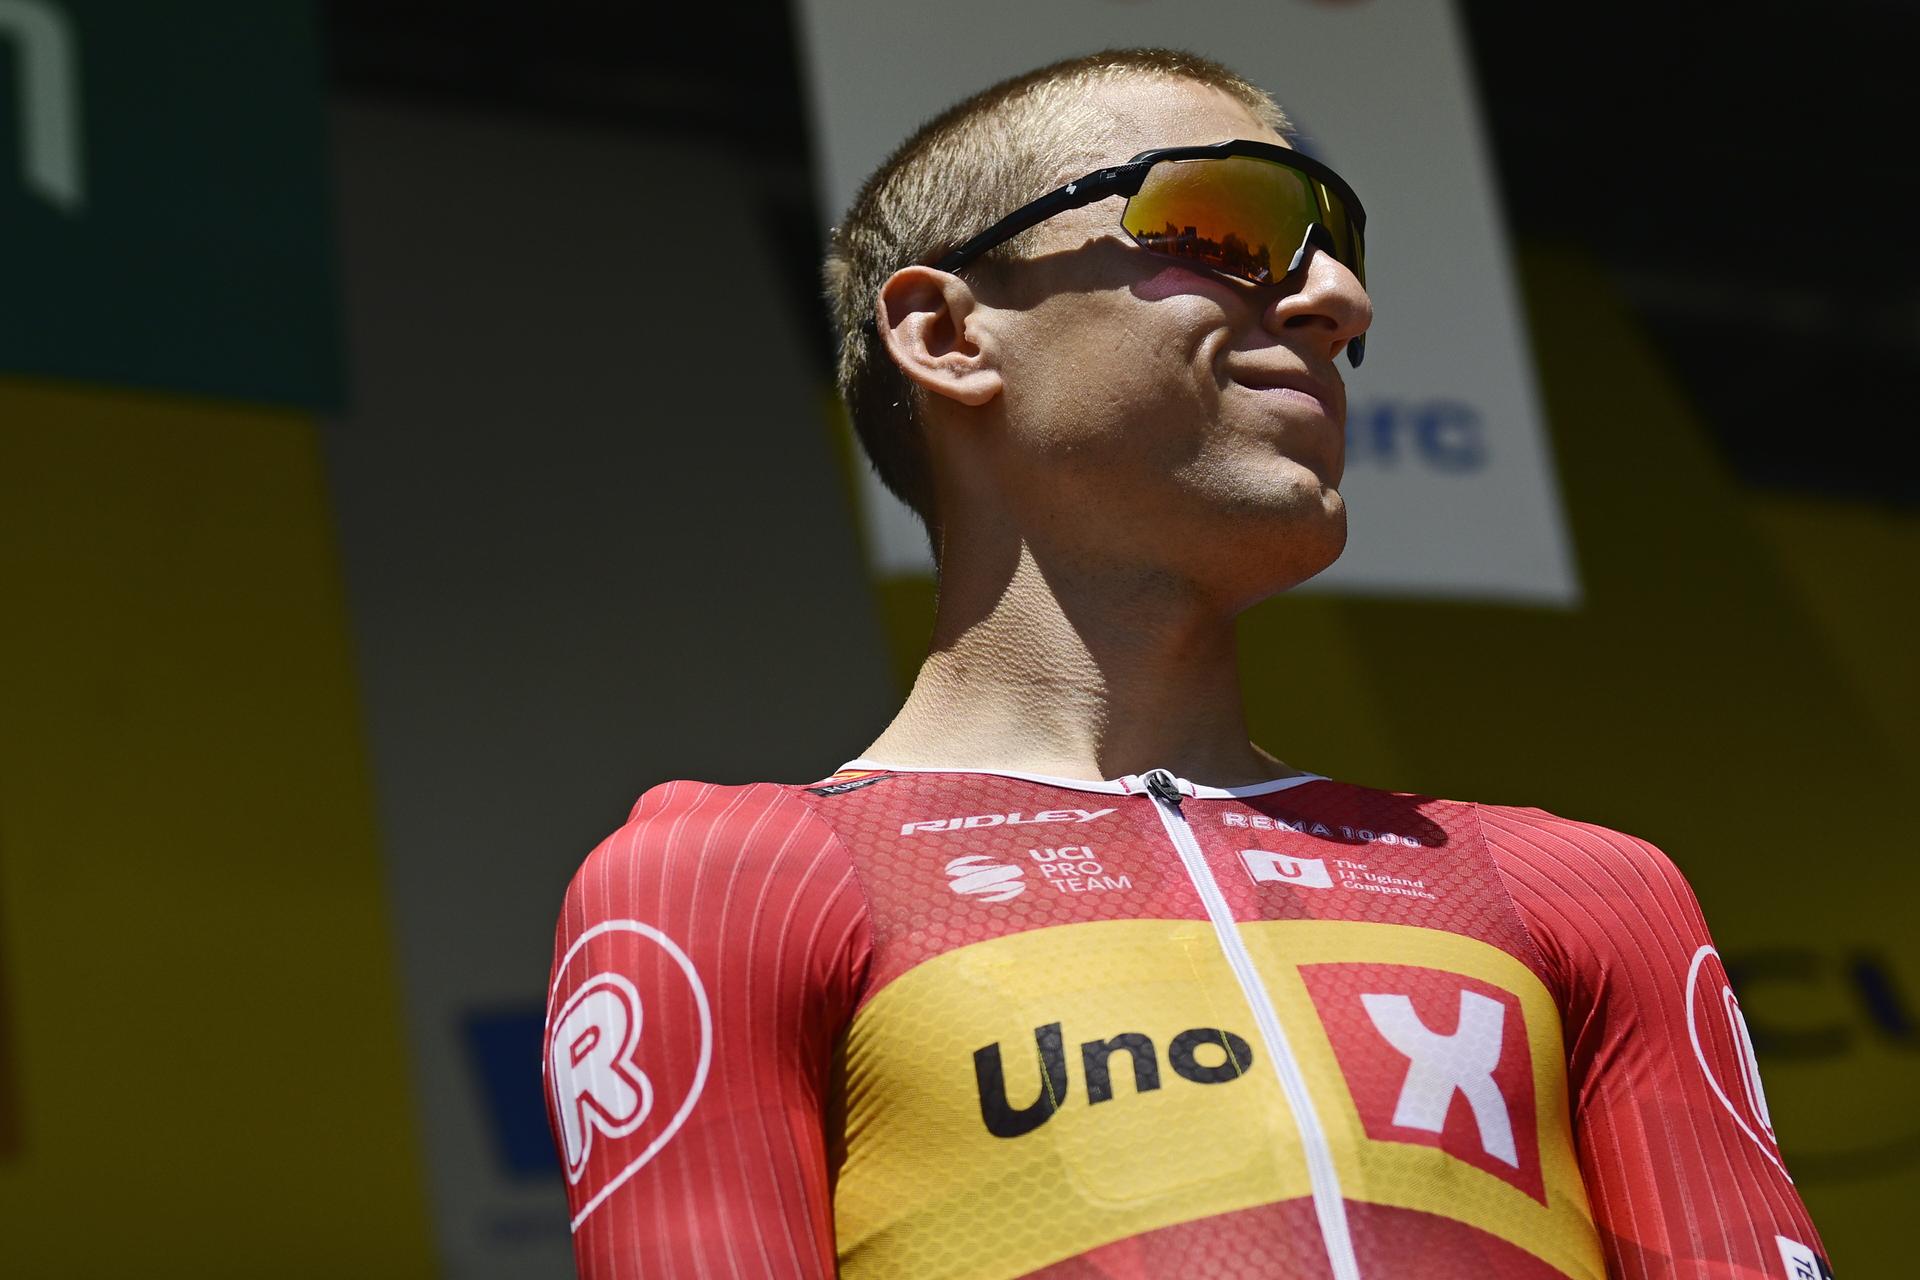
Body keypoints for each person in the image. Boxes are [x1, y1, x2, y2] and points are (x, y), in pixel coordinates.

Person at [542, 48, 1831, 1280]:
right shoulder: (726, 885)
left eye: (1345, 252)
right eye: (1229, 226)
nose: (1340, 301)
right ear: (946, 334)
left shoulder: (1580, 891)